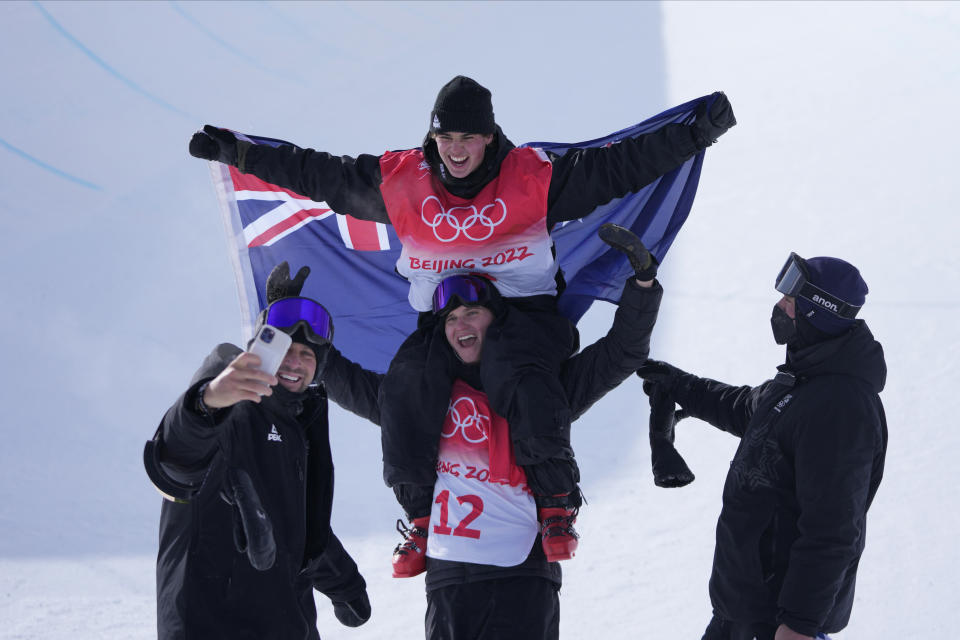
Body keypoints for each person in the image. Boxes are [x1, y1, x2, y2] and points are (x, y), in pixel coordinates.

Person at [188, 76, 736, 572]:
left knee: (516, 371)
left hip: (523, 320)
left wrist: (696, 134)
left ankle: (554, 503)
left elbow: (622, 166)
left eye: (467, 139)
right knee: (405, 385)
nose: (454, 150)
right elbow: (320, 173)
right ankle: (421, 516)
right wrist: (240, 153)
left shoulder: (535, 177)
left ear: (489, 140)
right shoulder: (402, 181)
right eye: (445, 138)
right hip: (443, 320)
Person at [318, 228, 664, 639]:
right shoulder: (418, 399)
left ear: (496, 322)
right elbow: (345, 381)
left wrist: (643, 284)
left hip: (522, 571)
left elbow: (621, 353)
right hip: (449, 577)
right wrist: (293, 326)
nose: (460, 323)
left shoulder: (543, 390)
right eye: (451, 318)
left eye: (472, 313)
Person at [637, 253, 887, 640]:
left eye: (791, 297)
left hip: (778, 622)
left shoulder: (841, 406)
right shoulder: (800, 385)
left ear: (818, 310)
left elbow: (834, 526)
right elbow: (744, 408)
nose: (780, 305)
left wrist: (799, 625)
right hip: (739, 612)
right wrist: (679, 384)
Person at [143, 264, 370, 640]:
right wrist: (207, 401)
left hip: (286, 624)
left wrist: (344, 582)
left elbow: (299, 523)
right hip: (212, 624)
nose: (295, 362)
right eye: (283, 350)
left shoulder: (298, 429)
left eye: (307, 355)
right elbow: (177, 460)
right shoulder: (231, 413)